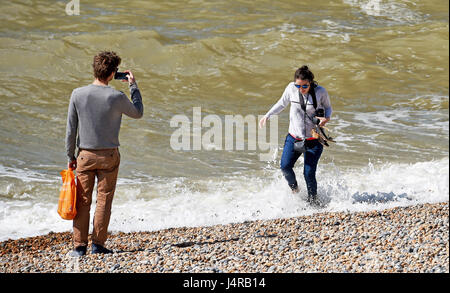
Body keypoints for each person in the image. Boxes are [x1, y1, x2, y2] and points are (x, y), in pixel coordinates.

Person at [65, 51, 143, 256]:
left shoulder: (77, 94)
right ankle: (98, 245)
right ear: (112, 74)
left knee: (82, 201)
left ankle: (79, 247)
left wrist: (70, 156)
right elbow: (138, 113)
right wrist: (132, 85)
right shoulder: (116, 96)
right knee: (104, 199)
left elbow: (71, 130)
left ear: (95, 69)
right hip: (109, 156)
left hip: (85, 155)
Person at [259, 66, 332, 205]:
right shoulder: (291, 88)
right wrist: (267, 115)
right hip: (294, 138)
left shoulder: (320, 92)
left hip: (314, 139)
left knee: (308, 174)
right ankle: (295, 190)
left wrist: (326, 119)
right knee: (285, 166)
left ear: (311, 82)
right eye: (298, 85)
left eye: (305, 86)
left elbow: (328, 107)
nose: (301, 88)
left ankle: (313, 203)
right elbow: (281, 104)